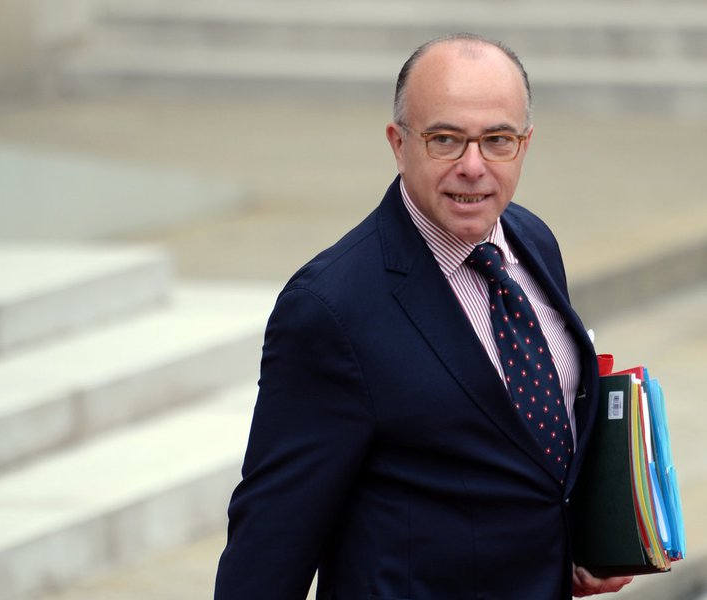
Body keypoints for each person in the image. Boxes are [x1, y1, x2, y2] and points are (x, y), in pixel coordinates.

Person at [214, 33, 636, 599]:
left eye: (497, 140)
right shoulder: (329, 308)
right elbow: (268, 545)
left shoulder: (533, 241)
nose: (473, 166)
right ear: (398, 142)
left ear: (525, 144)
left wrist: (574, 539)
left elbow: (523, 446)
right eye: (445, 139)